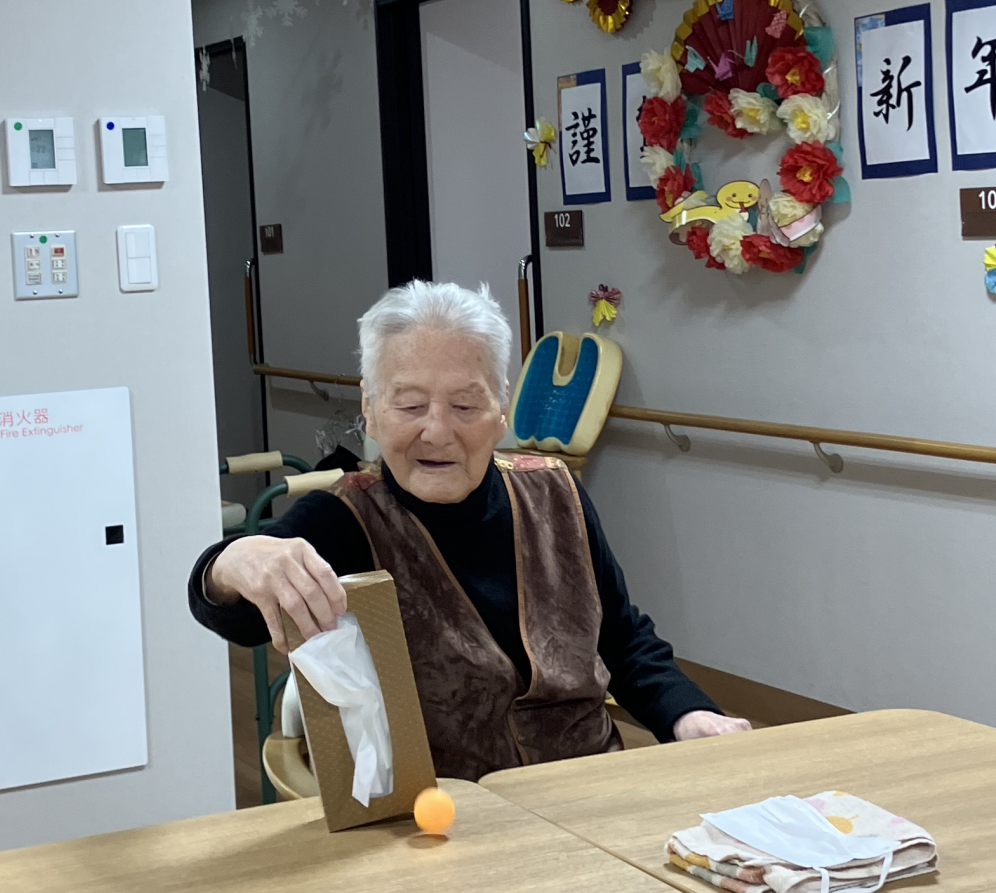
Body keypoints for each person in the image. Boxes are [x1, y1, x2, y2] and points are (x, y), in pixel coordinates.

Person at [189, 277, 750, 780]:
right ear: (371, 409)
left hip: (584, 785)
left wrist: (688, 714)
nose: (437, 432)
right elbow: (234, 614)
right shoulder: (344, 519)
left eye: (464, 405)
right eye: (410, 405)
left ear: (502, 407)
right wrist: (231, 565)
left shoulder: (555, 494)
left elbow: (622, 638)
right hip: (439, 814)